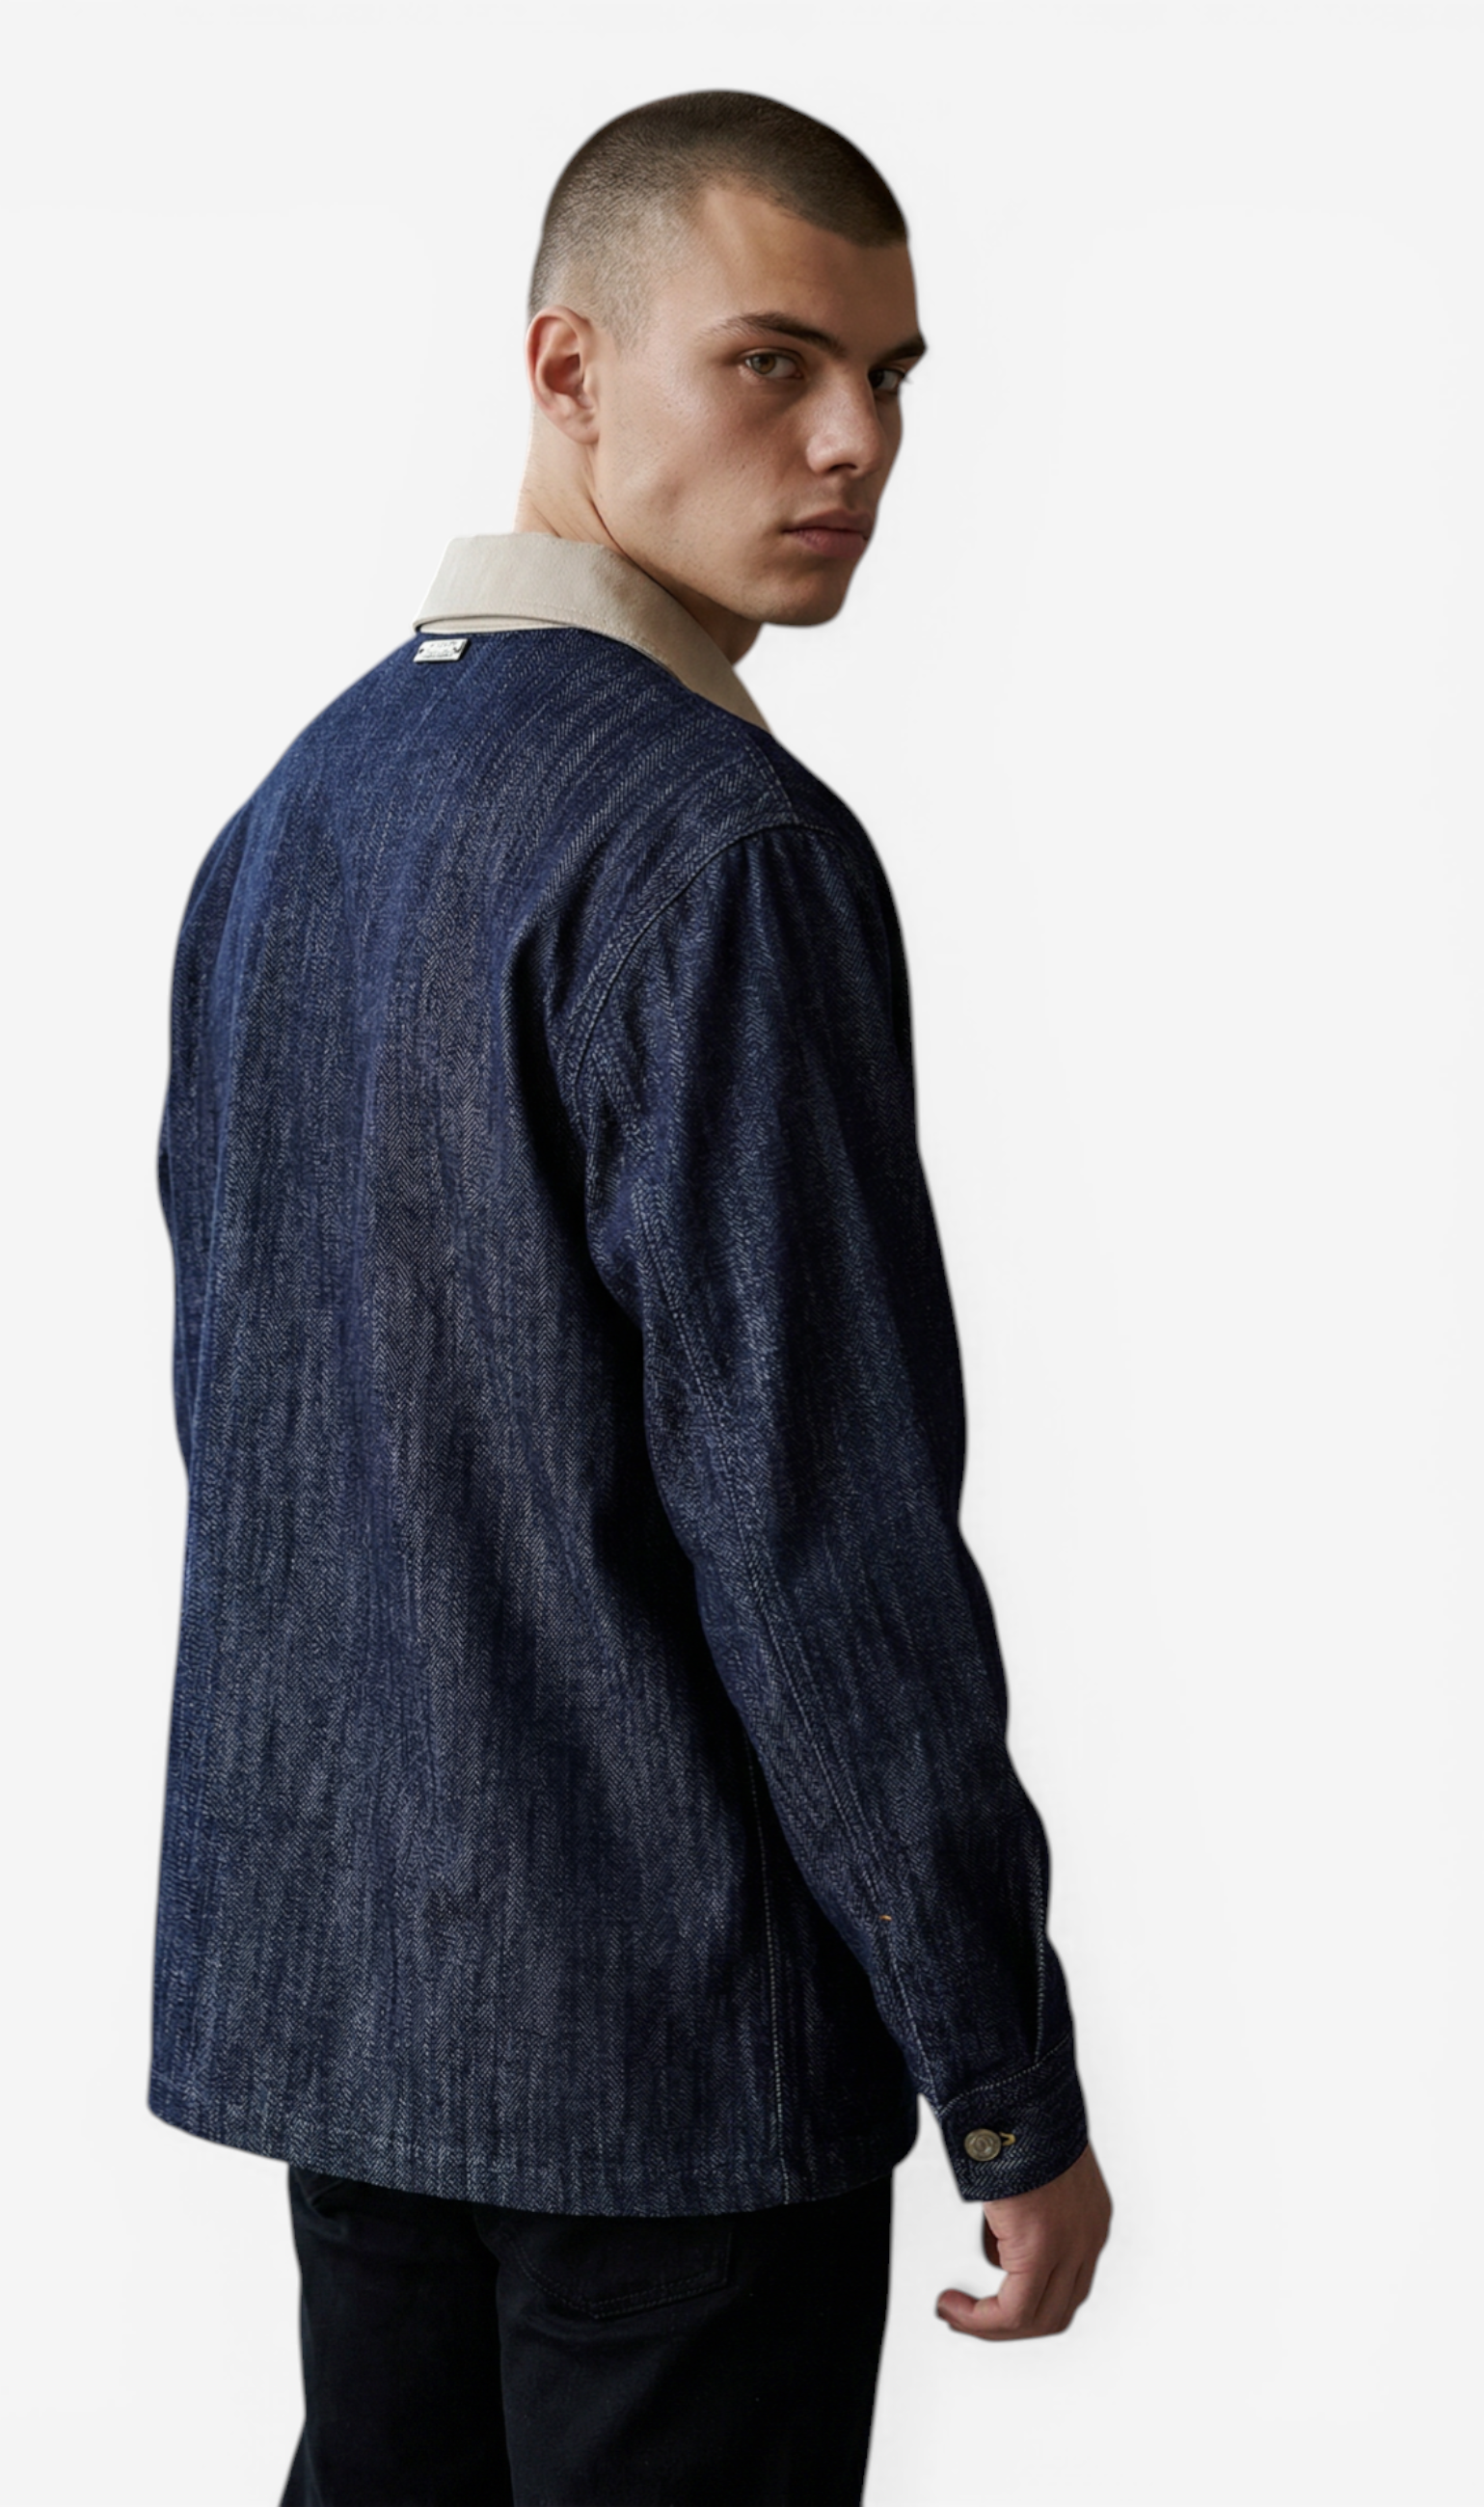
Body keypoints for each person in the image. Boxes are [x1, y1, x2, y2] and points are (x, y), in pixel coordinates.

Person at [149, 87, 1112, 2507]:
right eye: (774, 363)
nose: (856, 442)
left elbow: (252, 1427)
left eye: (891, 378)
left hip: (357, 2020)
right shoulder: (717, 847)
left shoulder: (291, 815)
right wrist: (1001, 2072)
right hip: (668, 2068)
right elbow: (821, 1534)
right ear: (568, 369)